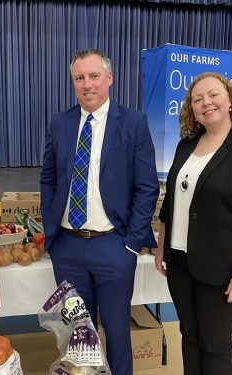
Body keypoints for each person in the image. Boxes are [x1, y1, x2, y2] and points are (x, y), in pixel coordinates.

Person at [40, 49, 159, 374]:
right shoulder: (60, 123)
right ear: (73, 82)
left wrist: (131, 244)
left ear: (109, 78)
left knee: (118, 332)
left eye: (93, 76)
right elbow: (48, 178)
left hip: (114, 247)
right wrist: (52, 232)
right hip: (67, 247)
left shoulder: (133, 123)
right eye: (79, 78)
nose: (87, 84)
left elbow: (147, 187)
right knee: (79, 335)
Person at [154, 72, 232, 375]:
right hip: (180, 263)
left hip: (224, 267)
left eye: (213, 95)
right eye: (197, 99)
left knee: (216, 341)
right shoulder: (186, 147)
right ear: (191, 109)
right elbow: (171, 204)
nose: (206, 103)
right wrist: (161, 248)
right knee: (190, 334)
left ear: (230, 101)